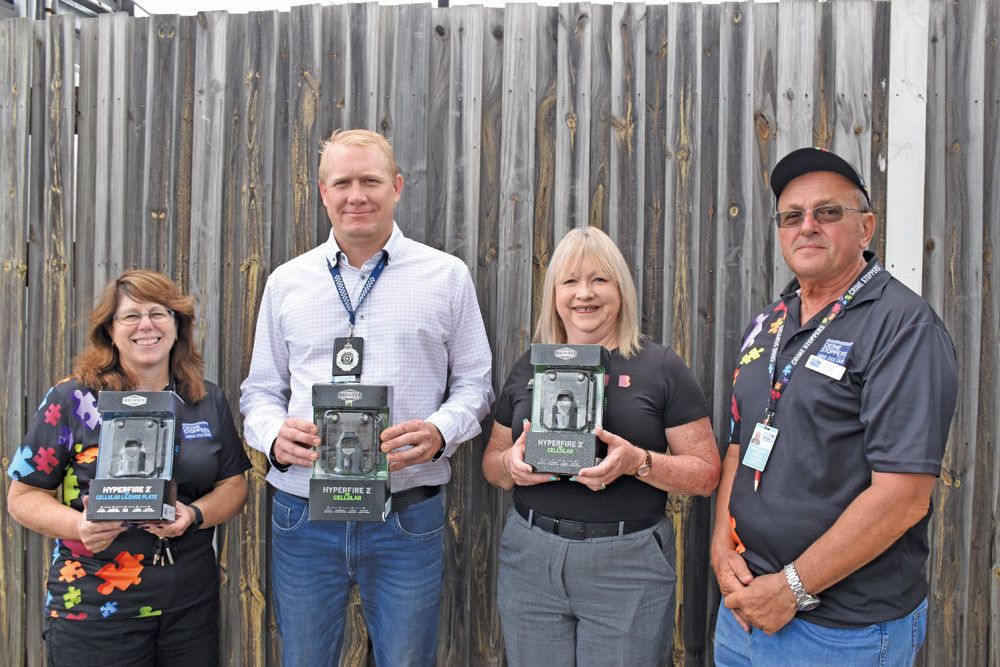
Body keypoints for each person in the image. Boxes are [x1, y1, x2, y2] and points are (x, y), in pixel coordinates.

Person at [240, 129, 493, 666]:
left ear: (396, 186)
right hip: (303, 514)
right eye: (343, 182)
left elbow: (475, 384)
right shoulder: (286, 282)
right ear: (323, 192)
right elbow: (260, 391)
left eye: (371, 180)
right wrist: (273, 436)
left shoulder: (447, 277)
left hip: (405, 516)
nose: (357, 194)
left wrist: (441, 431)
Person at [711, 147, 958, 665]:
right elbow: (740, 440)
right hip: (744, 609)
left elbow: (904, 496)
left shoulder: (904, 328)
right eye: (792, 216)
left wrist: (791, 590)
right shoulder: (770, 324)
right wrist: (720, 543)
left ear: (865, 228)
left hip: (842, 631)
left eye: (828, 212)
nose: (807, 227)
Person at [482, 226, 721, 665]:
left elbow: (706, 475)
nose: (583, 294)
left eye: (599, 279)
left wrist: (638, 462)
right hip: (531, 558)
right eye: (569, 281)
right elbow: (492, 468)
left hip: (626, 564)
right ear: (554, 293)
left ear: (621, 289)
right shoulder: (530, 365)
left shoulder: (660, 366)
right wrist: (510, 463)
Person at [6, 270, 251, 666]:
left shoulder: (205, 399)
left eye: (159, 313)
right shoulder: (73, 400)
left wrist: (194, 514)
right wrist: (79, 528)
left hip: (188, 608)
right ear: (110, 330)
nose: (146, 326)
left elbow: (234, 484)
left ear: (177, 325)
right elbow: (23, 496)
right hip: (93, 610)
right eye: (131, 316)